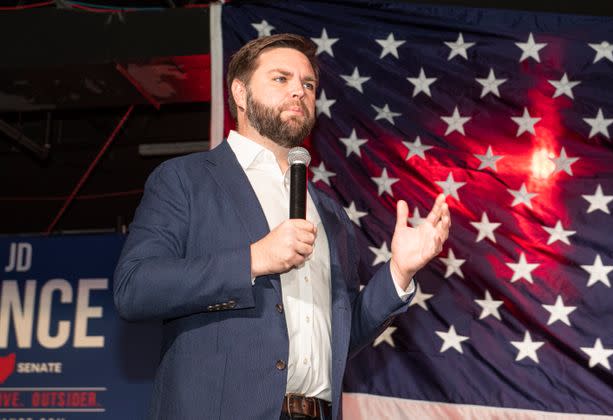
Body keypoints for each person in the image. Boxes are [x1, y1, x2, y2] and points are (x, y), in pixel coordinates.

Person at [113, 33, 450, 420]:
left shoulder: (328, 211)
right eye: (281, 79)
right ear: (240, 93)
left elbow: (339, 335)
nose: (299, 92)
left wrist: (398, 272)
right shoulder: (186, 179)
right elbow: (134, 288)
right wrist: (254, 259)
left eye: (308, 84)